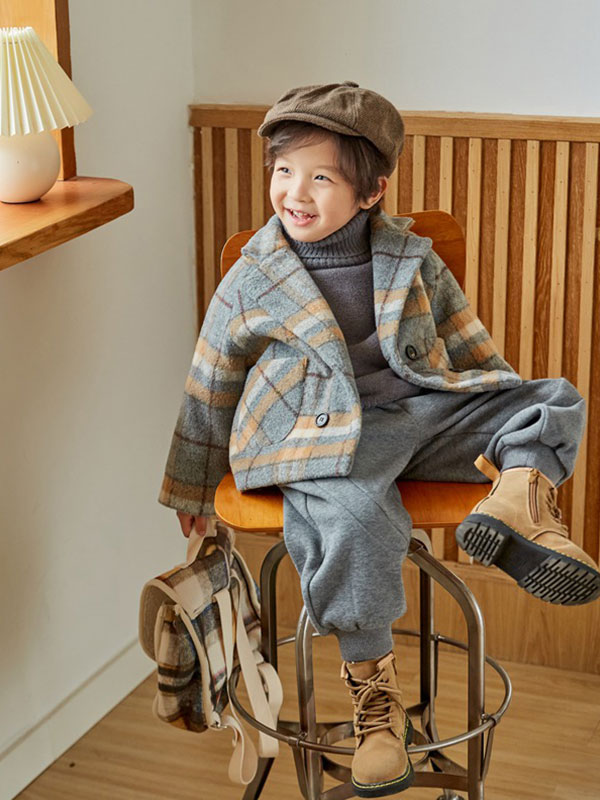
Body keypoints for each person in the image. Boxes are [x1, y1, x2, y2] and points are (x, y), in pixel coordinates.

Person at [159, 81, 600, 797]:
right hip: (314, 437)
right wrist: (192, 487)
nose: (294, 192)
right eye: (284, 171)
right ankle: (377, 707)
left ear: (371, 192)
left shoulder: (410, 256)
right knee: (359, 517)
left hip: (414, 416)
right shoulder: (253, 275)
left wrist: (503, 415)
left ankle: (520, 504)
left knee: (552, 398)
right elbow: (209, 383)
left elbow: (471, 348)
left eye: (321, 177)